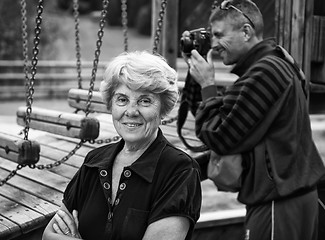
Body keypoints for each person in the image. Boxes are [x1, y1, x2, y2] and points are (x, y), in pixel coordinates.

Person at [182, 0, 325, 239]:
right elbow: (229, 119)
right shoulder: (274, 63)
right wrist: (196, 76)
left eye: (219, 35)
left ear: (246, 32)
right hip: (293, 199)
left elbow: (219, 136)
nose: (214, 44)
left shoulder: (264, 73)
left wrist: (207, 84)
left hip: (277, 205)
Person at [42, 51, 202, 240]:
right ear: (111, 104)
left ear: (163, 109)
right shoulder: (94, 161)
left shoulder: (180, 170)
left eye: (144, 100)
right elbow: (48, 236)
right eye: (122, 99)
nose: (131, 111)